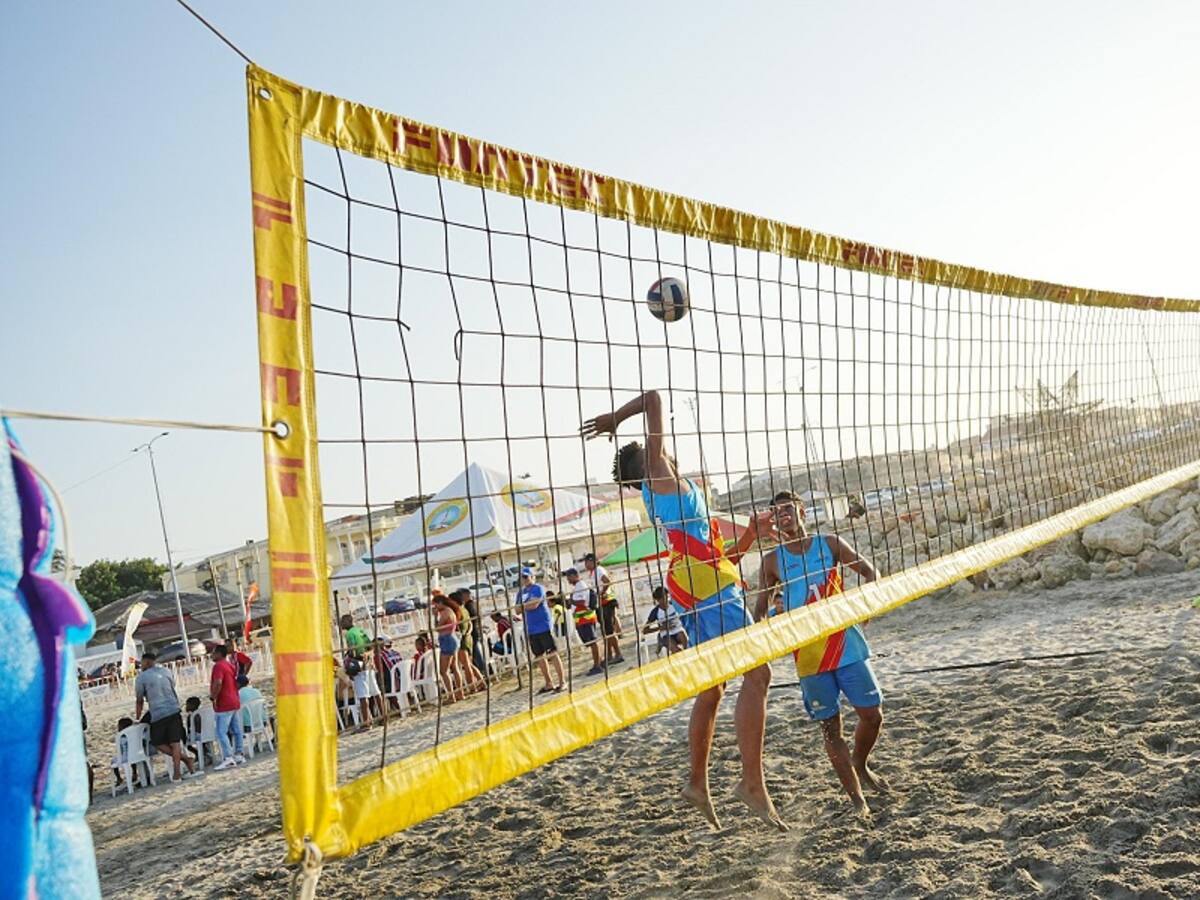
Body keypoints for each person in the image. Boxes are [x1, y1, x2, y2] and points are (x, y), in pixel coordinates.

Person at [583, 389, 784, 830]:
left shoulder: (678, 492)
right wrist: (617, 418)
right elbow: (654, 398)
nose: (664, 448)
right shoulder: (659, 477)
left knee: (714, 687)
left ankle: (697, 782)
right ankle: (751, 783)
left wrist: (752, 533)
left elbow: (717, 553)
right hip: (708, 592)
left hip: (701, 585)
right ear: (649, 461)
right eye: (656, 448)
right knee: (758, 675)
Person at [757, 490, 886, 816]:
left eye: (787, 508)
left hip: (846, 642)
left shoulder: (828, 543)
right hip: (810, 657)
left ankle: (860, 763)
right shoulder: (772, 561)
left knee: (873, 715)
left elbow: (870, 572)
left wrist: (866, 605)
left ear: (802, 510)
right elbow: (758, 612)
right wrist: (771, 626)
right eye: (776, 512)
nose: (782, 515)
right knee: (831, 728)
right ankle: (858, 802)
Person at [134, 651, 199, 782]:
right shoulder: (166, 671)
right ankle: (179, 770)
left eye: (142, 663)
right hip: (174, 709)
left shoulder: (142, 677)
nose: (141, 666)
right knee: (175, 743)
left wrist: (137, 717)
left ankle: (183, 764)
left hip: (158, 713)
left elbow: (139, 700)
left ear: (146, 662)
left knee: (157, 742)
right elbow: (172, 687)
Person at [516, 568, 565, 693]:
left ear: (532, 577)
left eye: (527, 577)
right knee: (539, 656)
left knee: (552, 653)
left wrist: (524, 606)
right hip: (531, 628)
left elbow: (534, 605)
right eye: (523, 577)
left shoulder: (538, 588)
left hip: (543, 625)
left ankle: (562, 681)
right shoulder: (520, 593)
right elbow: (516, 610)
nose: (525, 579)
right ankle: (549, 683)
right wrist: (525, 606)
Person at [581, 552, 624, 665]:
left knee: (609, 630)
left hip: (606, 602)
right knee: (606, 631)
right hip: (601, 603)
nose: (585, 565)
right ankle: (609, 655)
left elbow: (607, 581)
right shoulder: (593, 572)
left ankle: (618, 654)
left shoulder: (598, 570)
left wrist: (601, 593)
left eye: (586, 562)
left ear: (592, 561)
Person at [209, 645, 245, 769]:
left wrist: (213, 697)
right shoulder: (230, 665)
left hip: (224, 703)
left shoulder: (218, 666)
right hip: (234, 699)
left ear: (219, 653)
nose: (211, 655)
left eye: (213, 653)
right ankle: (239, 753)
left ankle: (228, 757)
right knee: (236, 730)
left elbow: (218, 682)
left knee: (221, 732)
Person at [565, 567, 604, 675]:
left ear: (573, 576)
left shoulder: (581, 586)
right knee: (591, 642)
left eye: (568, 577)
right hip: (582, 619)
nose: (568, 580)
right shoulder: (578, 586)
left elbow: (582, 601)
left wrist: (571, 600)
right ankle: (598, 662)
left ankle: (598, 665)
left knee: (593, 642)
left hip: (585, 618)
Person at [341, 612, 378, 725]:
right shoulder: (360, 630)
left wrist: (348, 662)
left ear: (348, 622)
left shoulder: (349, 634)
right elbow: (371, 646)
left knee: (362, 696)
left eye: (342, 621)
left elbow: (352, 651)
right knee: (376, 692)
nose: (341, 624)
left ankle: (366, 723)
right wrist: (368, 655)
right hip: (368, 664)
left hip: (359, 665)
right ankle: (383, 716)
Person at [644, 586, 688, 655]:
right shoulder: (655, 612)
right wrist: (662, 628)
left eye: (667, 598)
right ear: (658, 600)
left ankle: (687, 655)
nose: (666, 601)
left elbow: (686, 611)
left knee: (684, 638)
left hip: (678, 630)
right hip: (666, 634)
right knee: (676, 650)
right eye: (663, 599)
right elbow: (645, 630)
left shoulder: (673, 605)